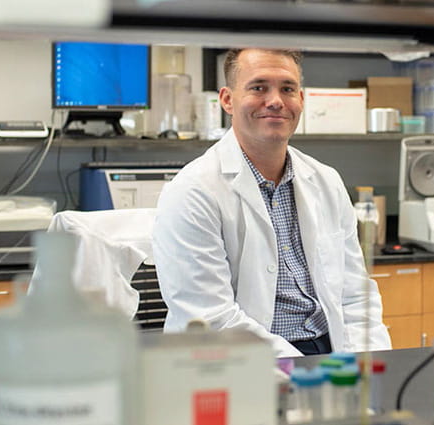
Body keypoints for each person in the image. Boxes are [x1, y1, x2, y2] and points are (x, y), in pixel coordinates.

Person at [153, 48, 391, 357]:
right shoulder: (193, 191)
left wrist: (369, 363)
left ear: (301, 100)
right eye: (258, 87)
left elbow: (356, 297)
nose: (276, 100)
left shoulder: (326, 181)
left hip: (331, 350)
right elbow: (211, 318)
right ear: (227, 99)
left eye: (287, 89)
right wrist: (304, 372)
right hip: (239, 361)